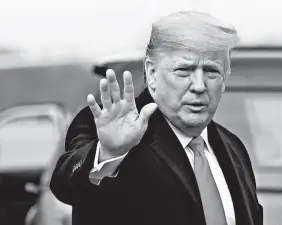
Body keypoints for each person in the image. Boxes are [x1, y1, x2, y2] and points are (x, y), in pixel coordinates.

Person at [50, 11, 263, 225]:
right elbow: (67, 187)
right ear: (151, 74)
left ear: (224, 79)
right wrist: (109, 153)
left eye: (211, 71)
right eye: (184, 70)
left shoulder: (234, 148)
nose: (199, 85)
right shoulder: (109, 130)